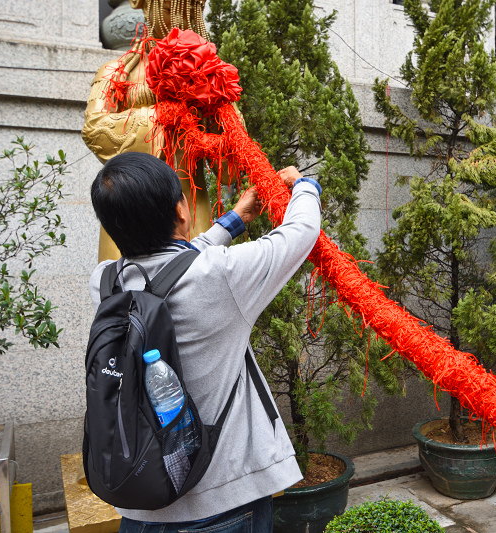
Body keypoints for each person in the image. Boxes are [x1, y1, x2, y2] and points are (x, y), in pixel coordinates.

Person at [88, 151, 322, 533]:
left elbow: (171, 265)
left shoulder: (105, 282)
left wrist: (233, 221)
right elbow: (300, 234)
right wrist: (304, 186)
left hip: (139, 505)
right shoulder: (221, 277)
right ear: (182, 210)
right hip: (221, 504)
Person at [83, 0, 241, 261]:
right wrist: (163, 116)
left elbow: (232, 167)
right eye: (169, 9)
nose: (179, 17)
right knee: (127, 293)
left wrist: (208, 116)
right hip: (128, 209)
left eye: (189, 10)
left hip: (189, 206)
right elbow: (94, 129)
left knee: (193, 288)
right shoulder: (115, 73)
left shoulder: (211, 74)